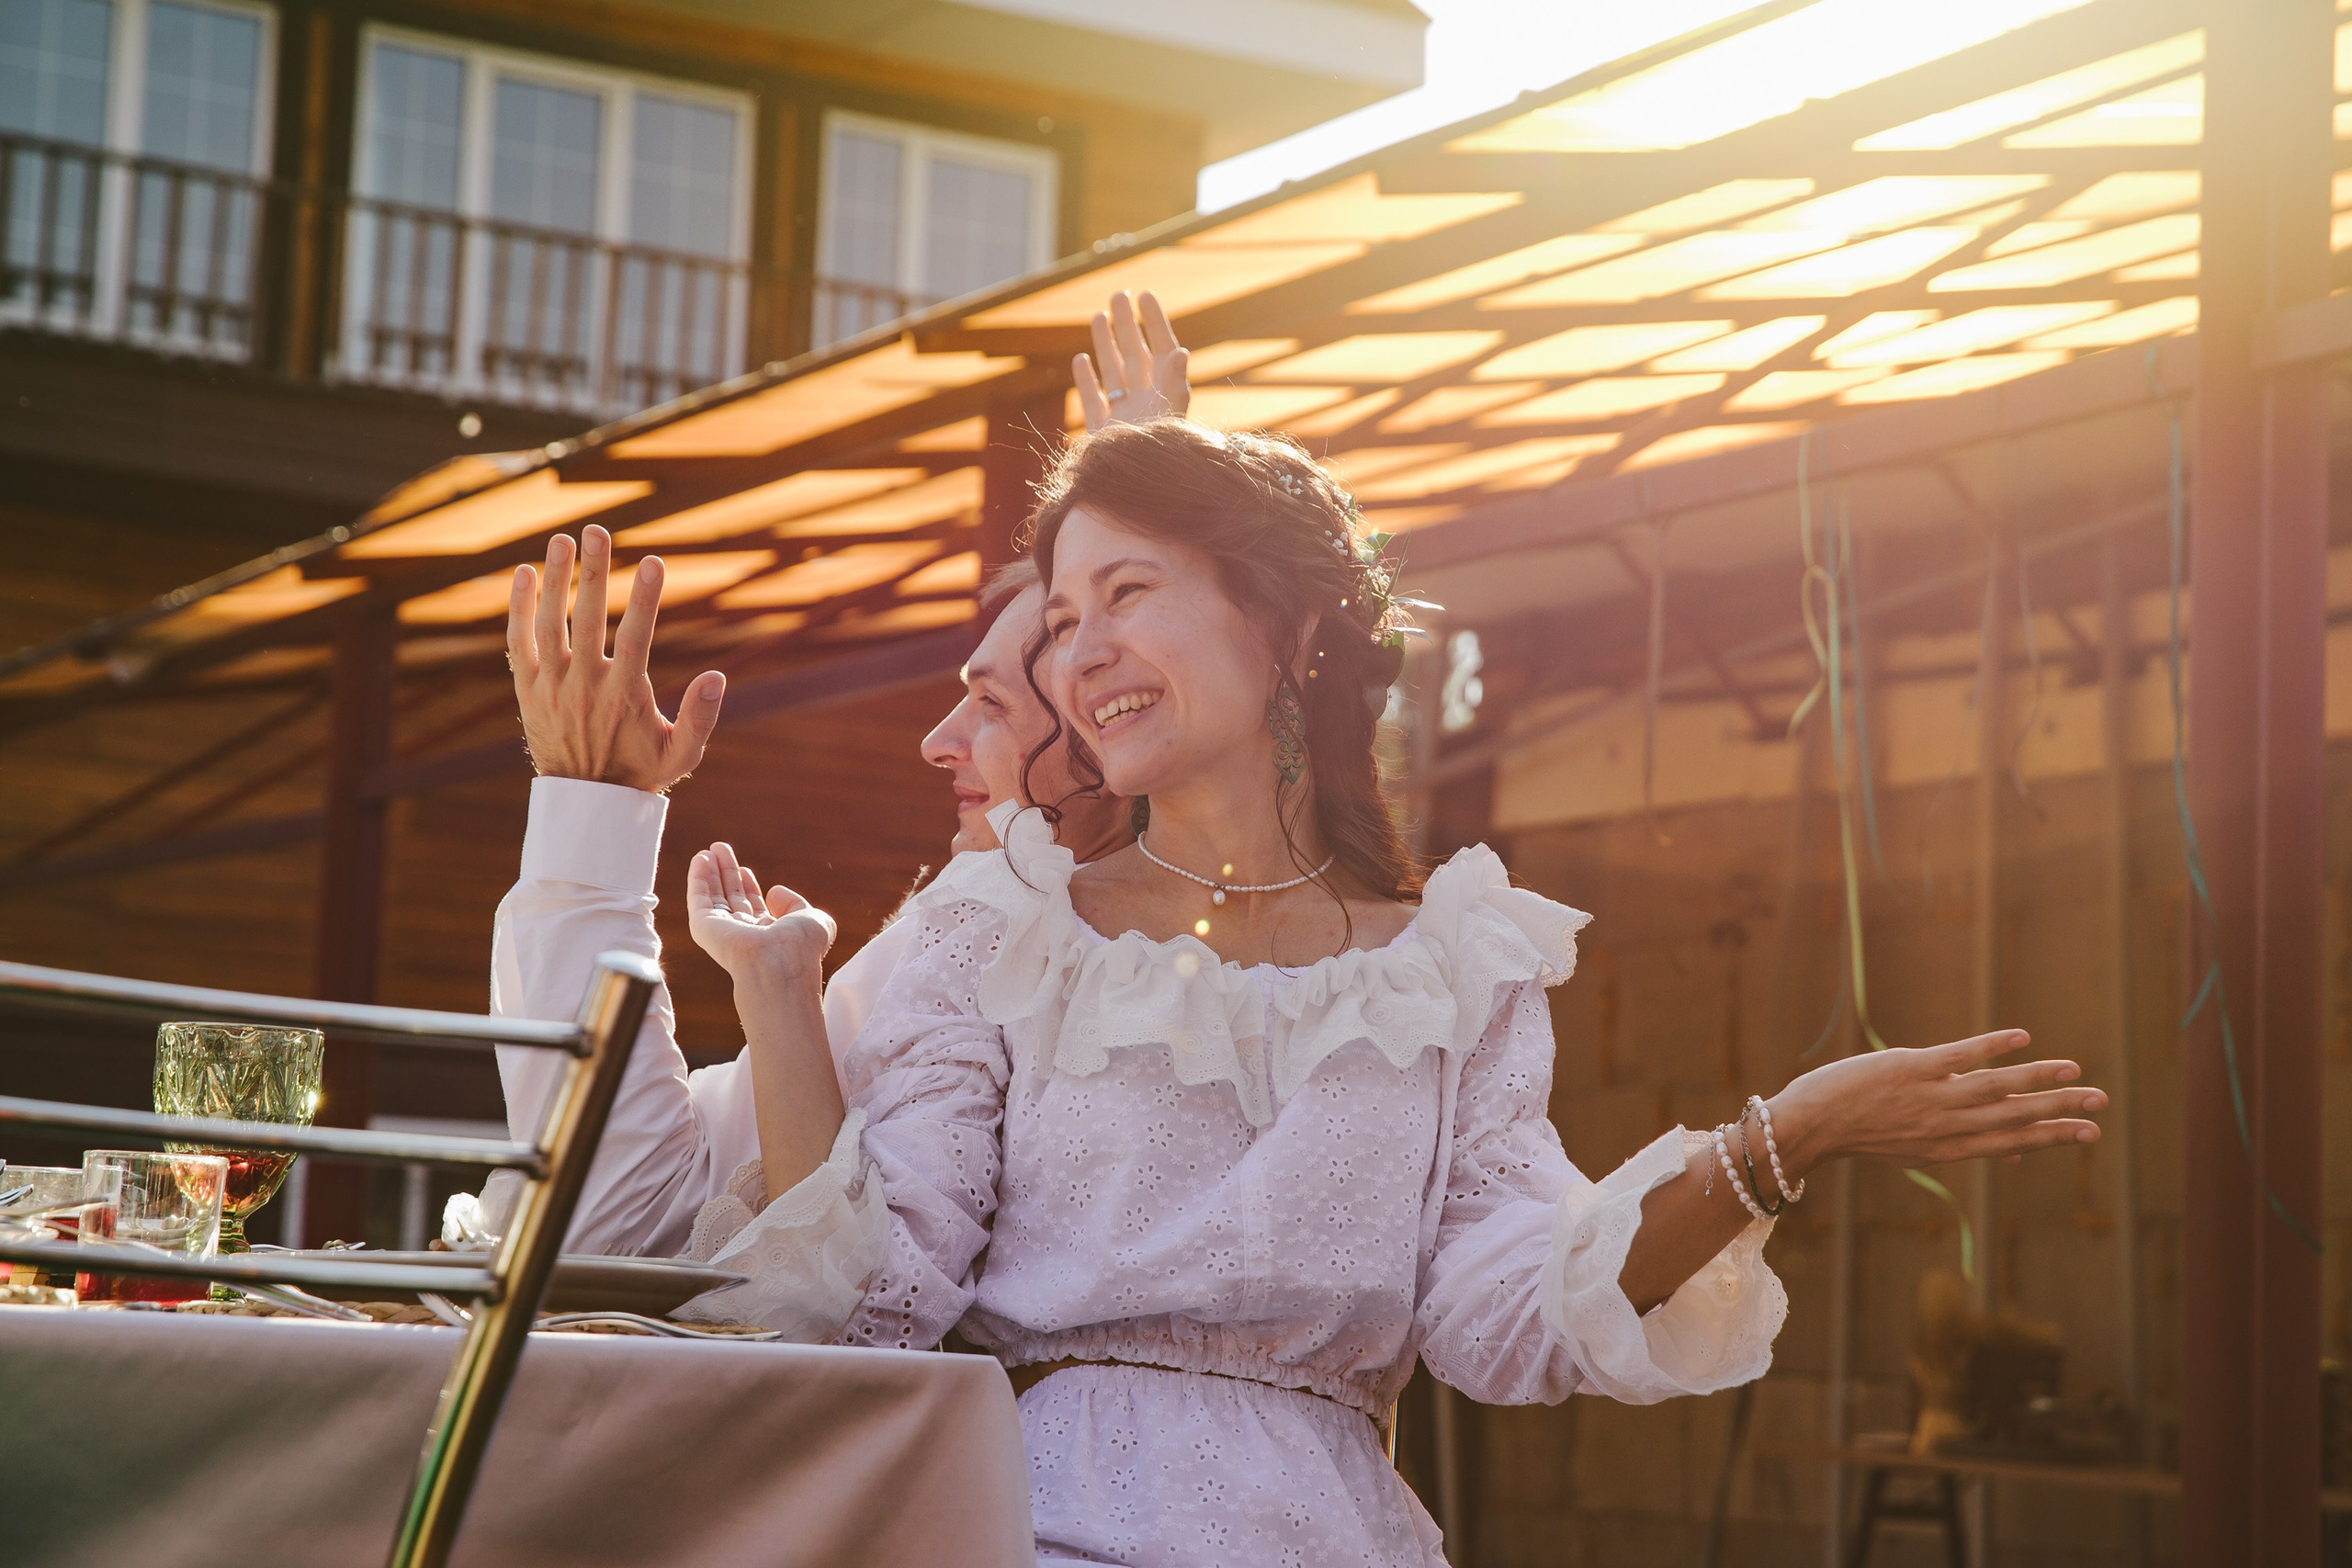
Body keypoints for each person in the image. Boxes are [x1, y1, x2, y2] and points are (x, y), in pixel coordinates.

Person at [671, 417, 2107, 1563]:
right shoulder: (997, 927)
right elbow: (872, 1306)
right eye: (1061, 614)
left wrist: (1787, 1133)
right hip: (1032, 1526)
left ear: (1287, 624)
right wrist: (781, 1001)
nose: (1080, 647)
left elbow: (1512, 1314)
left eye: (1128, 592)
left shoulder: (1458, 968)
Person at [484, 294, 1188, 1258]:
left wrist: (593, 810)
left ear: (1111, 734)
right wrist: (1135, 511)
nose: (936, 742)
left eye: (989, 703)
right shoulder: (1001, 927)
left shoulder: (1004, 932)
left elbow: (617, 1224)